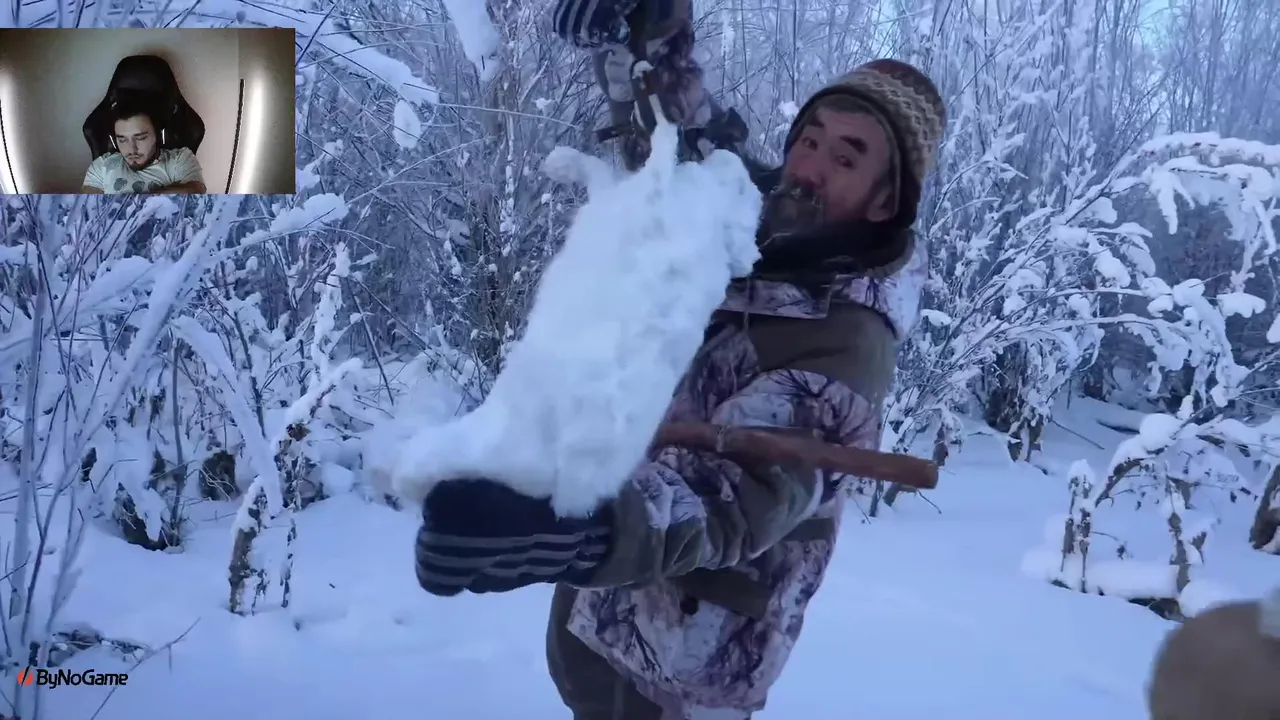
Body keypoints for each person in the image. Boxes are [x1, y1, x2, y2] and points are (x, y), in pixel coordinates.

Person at [412, 1, 947, 718]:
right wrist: (644, 29)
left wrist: (572, 527)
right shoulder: (755, 224)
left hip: (681, 675)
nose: (810, 168)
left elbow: (731, 495)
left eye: (846, 158)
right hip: (605, 618)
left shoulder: (847, 342)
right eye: (809, 139)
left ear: (885, 203)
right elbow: (680, 140)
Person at [80, 95, 206, 195]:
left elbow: (196, 193)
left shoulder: (180, 160)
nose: (132, 149)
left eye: (140, 138)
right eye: (122, 140)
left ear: (157, 135)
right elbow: (86, 208)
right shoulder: (102, 166)